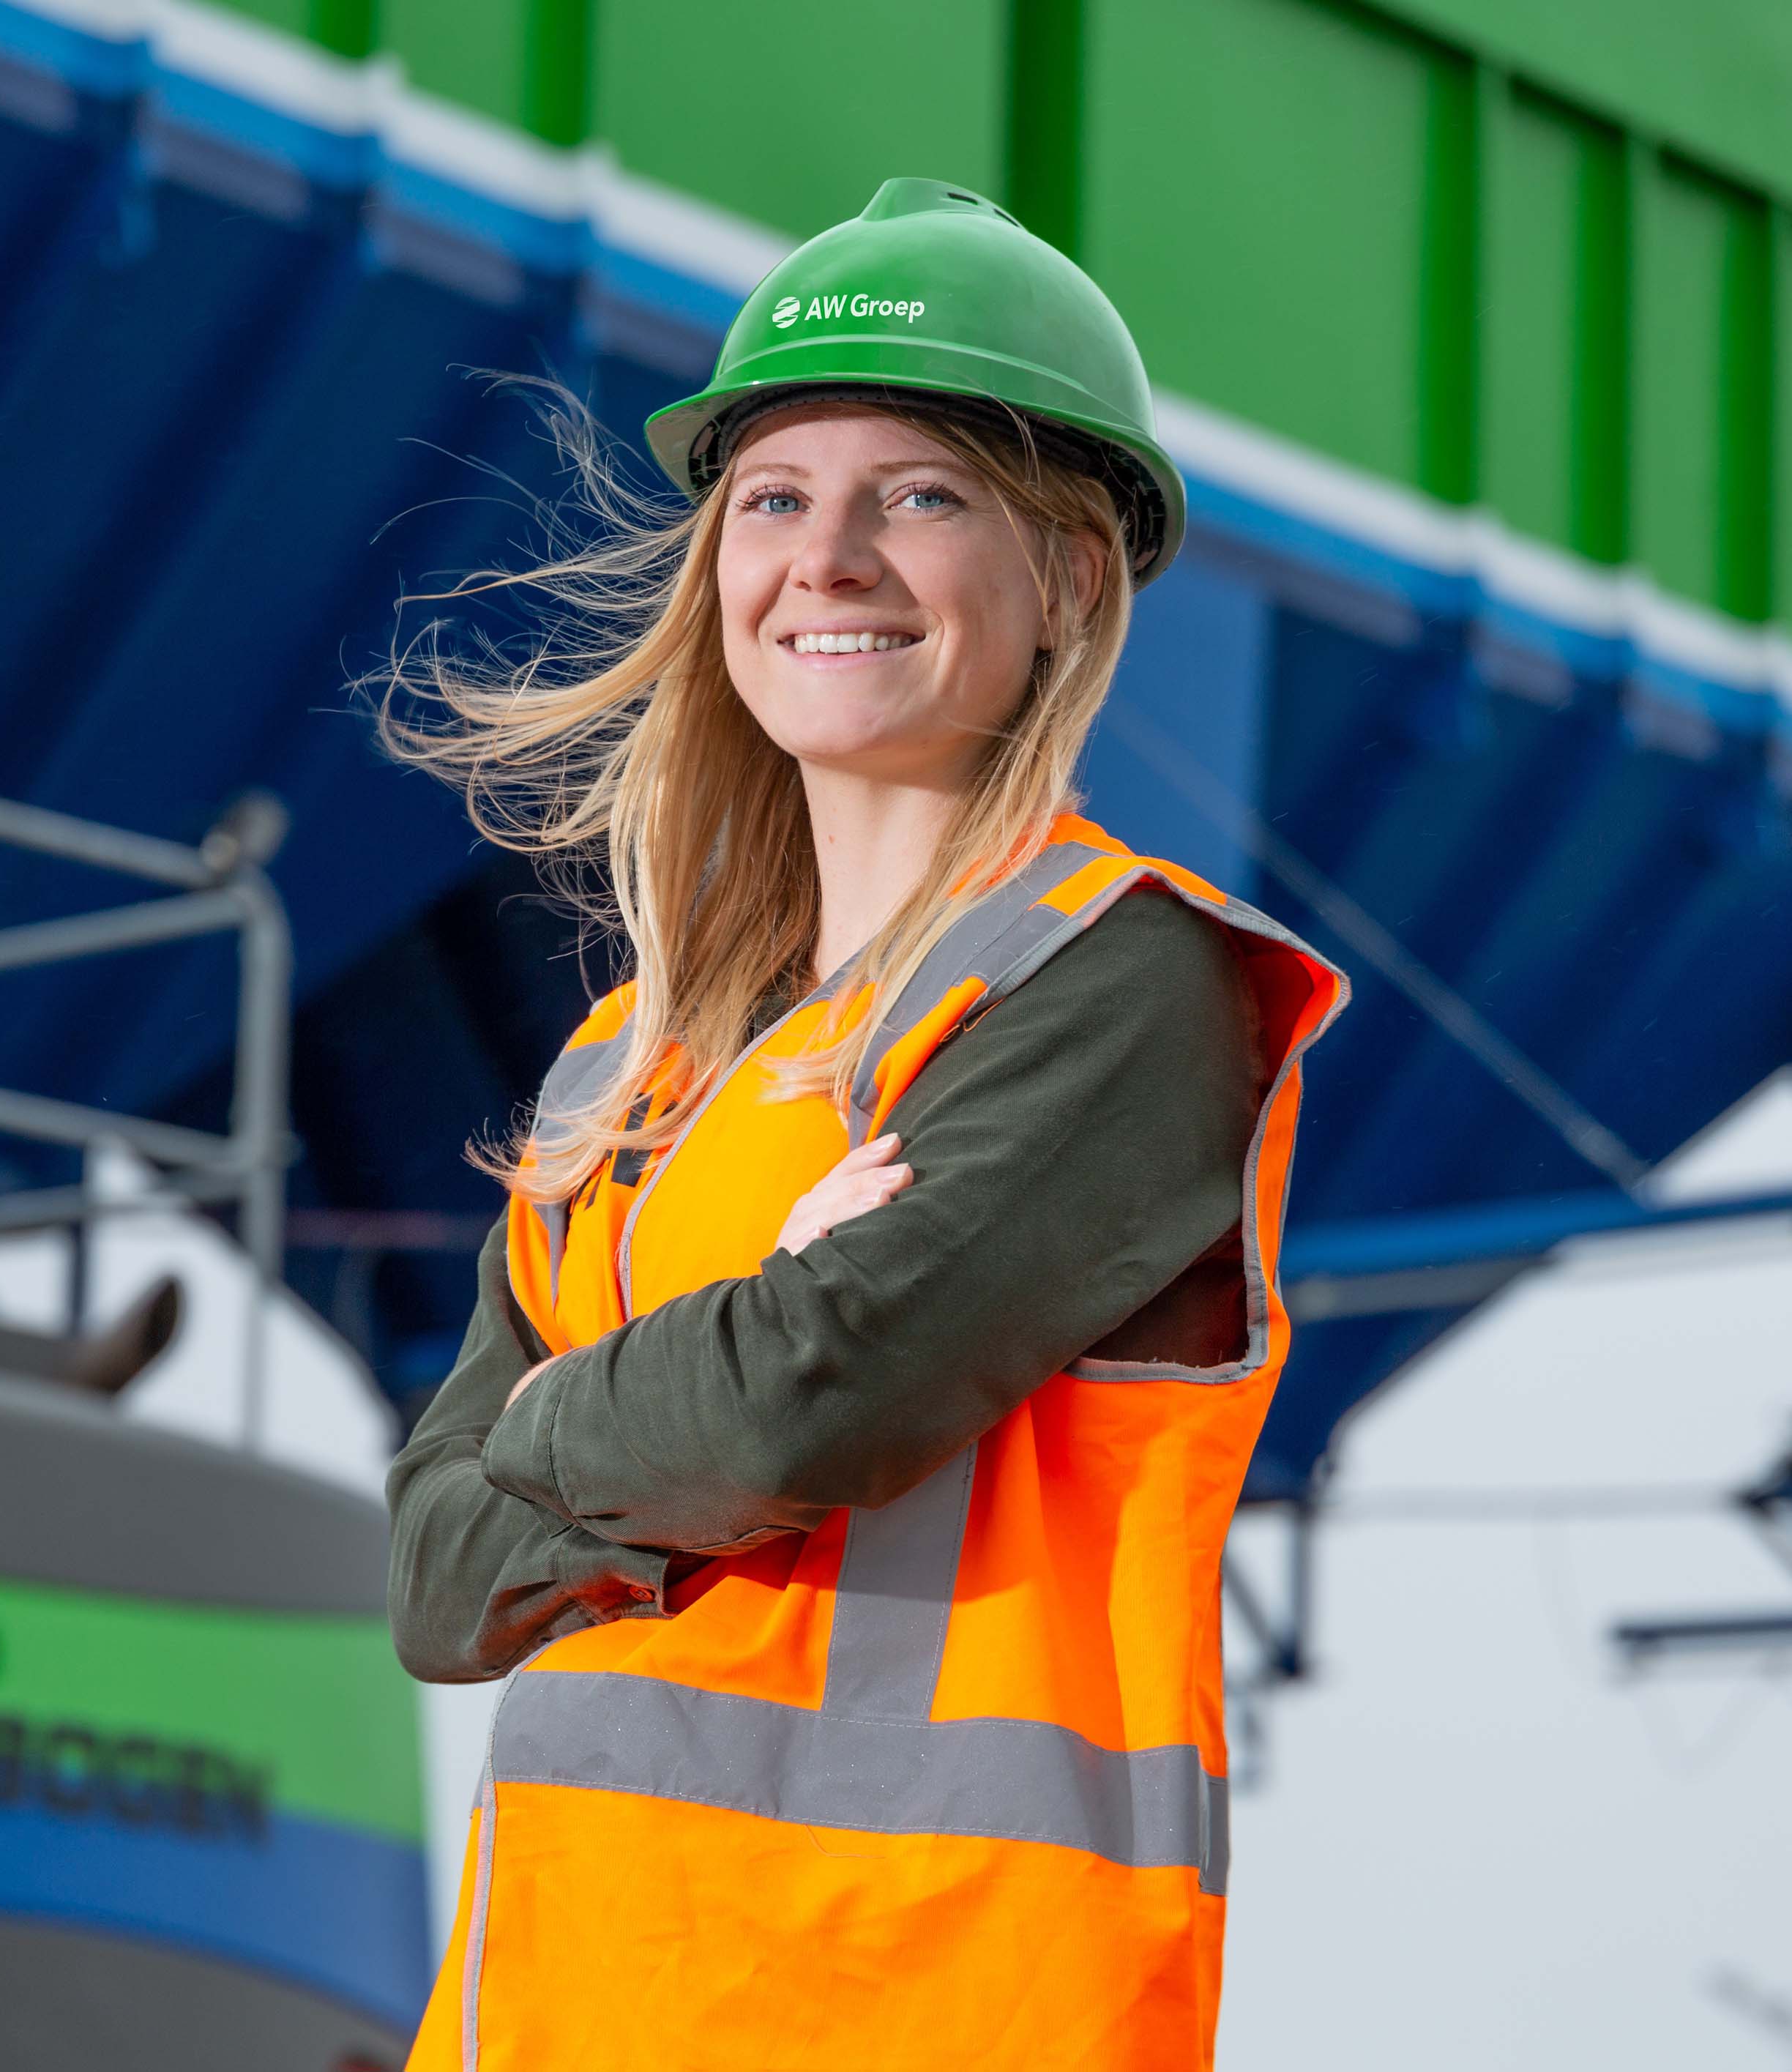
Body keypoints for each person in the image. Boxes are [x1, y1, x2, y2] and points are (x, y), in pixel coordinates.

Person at [379, 177, 1348, 2071]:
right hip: (568, 2007)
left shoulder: (1121, 978)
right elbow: (428, 1579)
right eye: (773, 499)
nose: (827, 558)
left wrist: (583, 1423)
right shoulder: (622, 1073)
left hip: (930, 2006)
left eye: (919, 495)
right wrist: (732, 1347)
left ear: (1069, 576)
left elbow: (805, 1402)